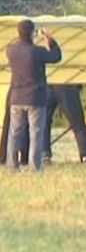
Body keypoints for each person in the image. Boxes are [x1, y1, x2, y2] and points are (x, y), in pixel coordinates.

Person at [5, 20, 61, 171]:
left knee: (15, 133)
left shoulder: (10, 50)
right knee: (36, 133)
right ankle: (35, 166)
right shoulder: (37, 51)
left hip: (17, 97)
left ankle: (12, 165)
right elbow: (56, 56)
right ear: (32, 33)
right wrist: (49, 38)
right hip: (36, 98)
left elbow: (16, 45)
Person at [43, 84, 86, 163]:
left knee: (43, 123)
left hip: (46, 84)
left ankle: (44, 154)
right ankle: (85, 155)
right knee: (78, 123)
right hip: (66, 85)